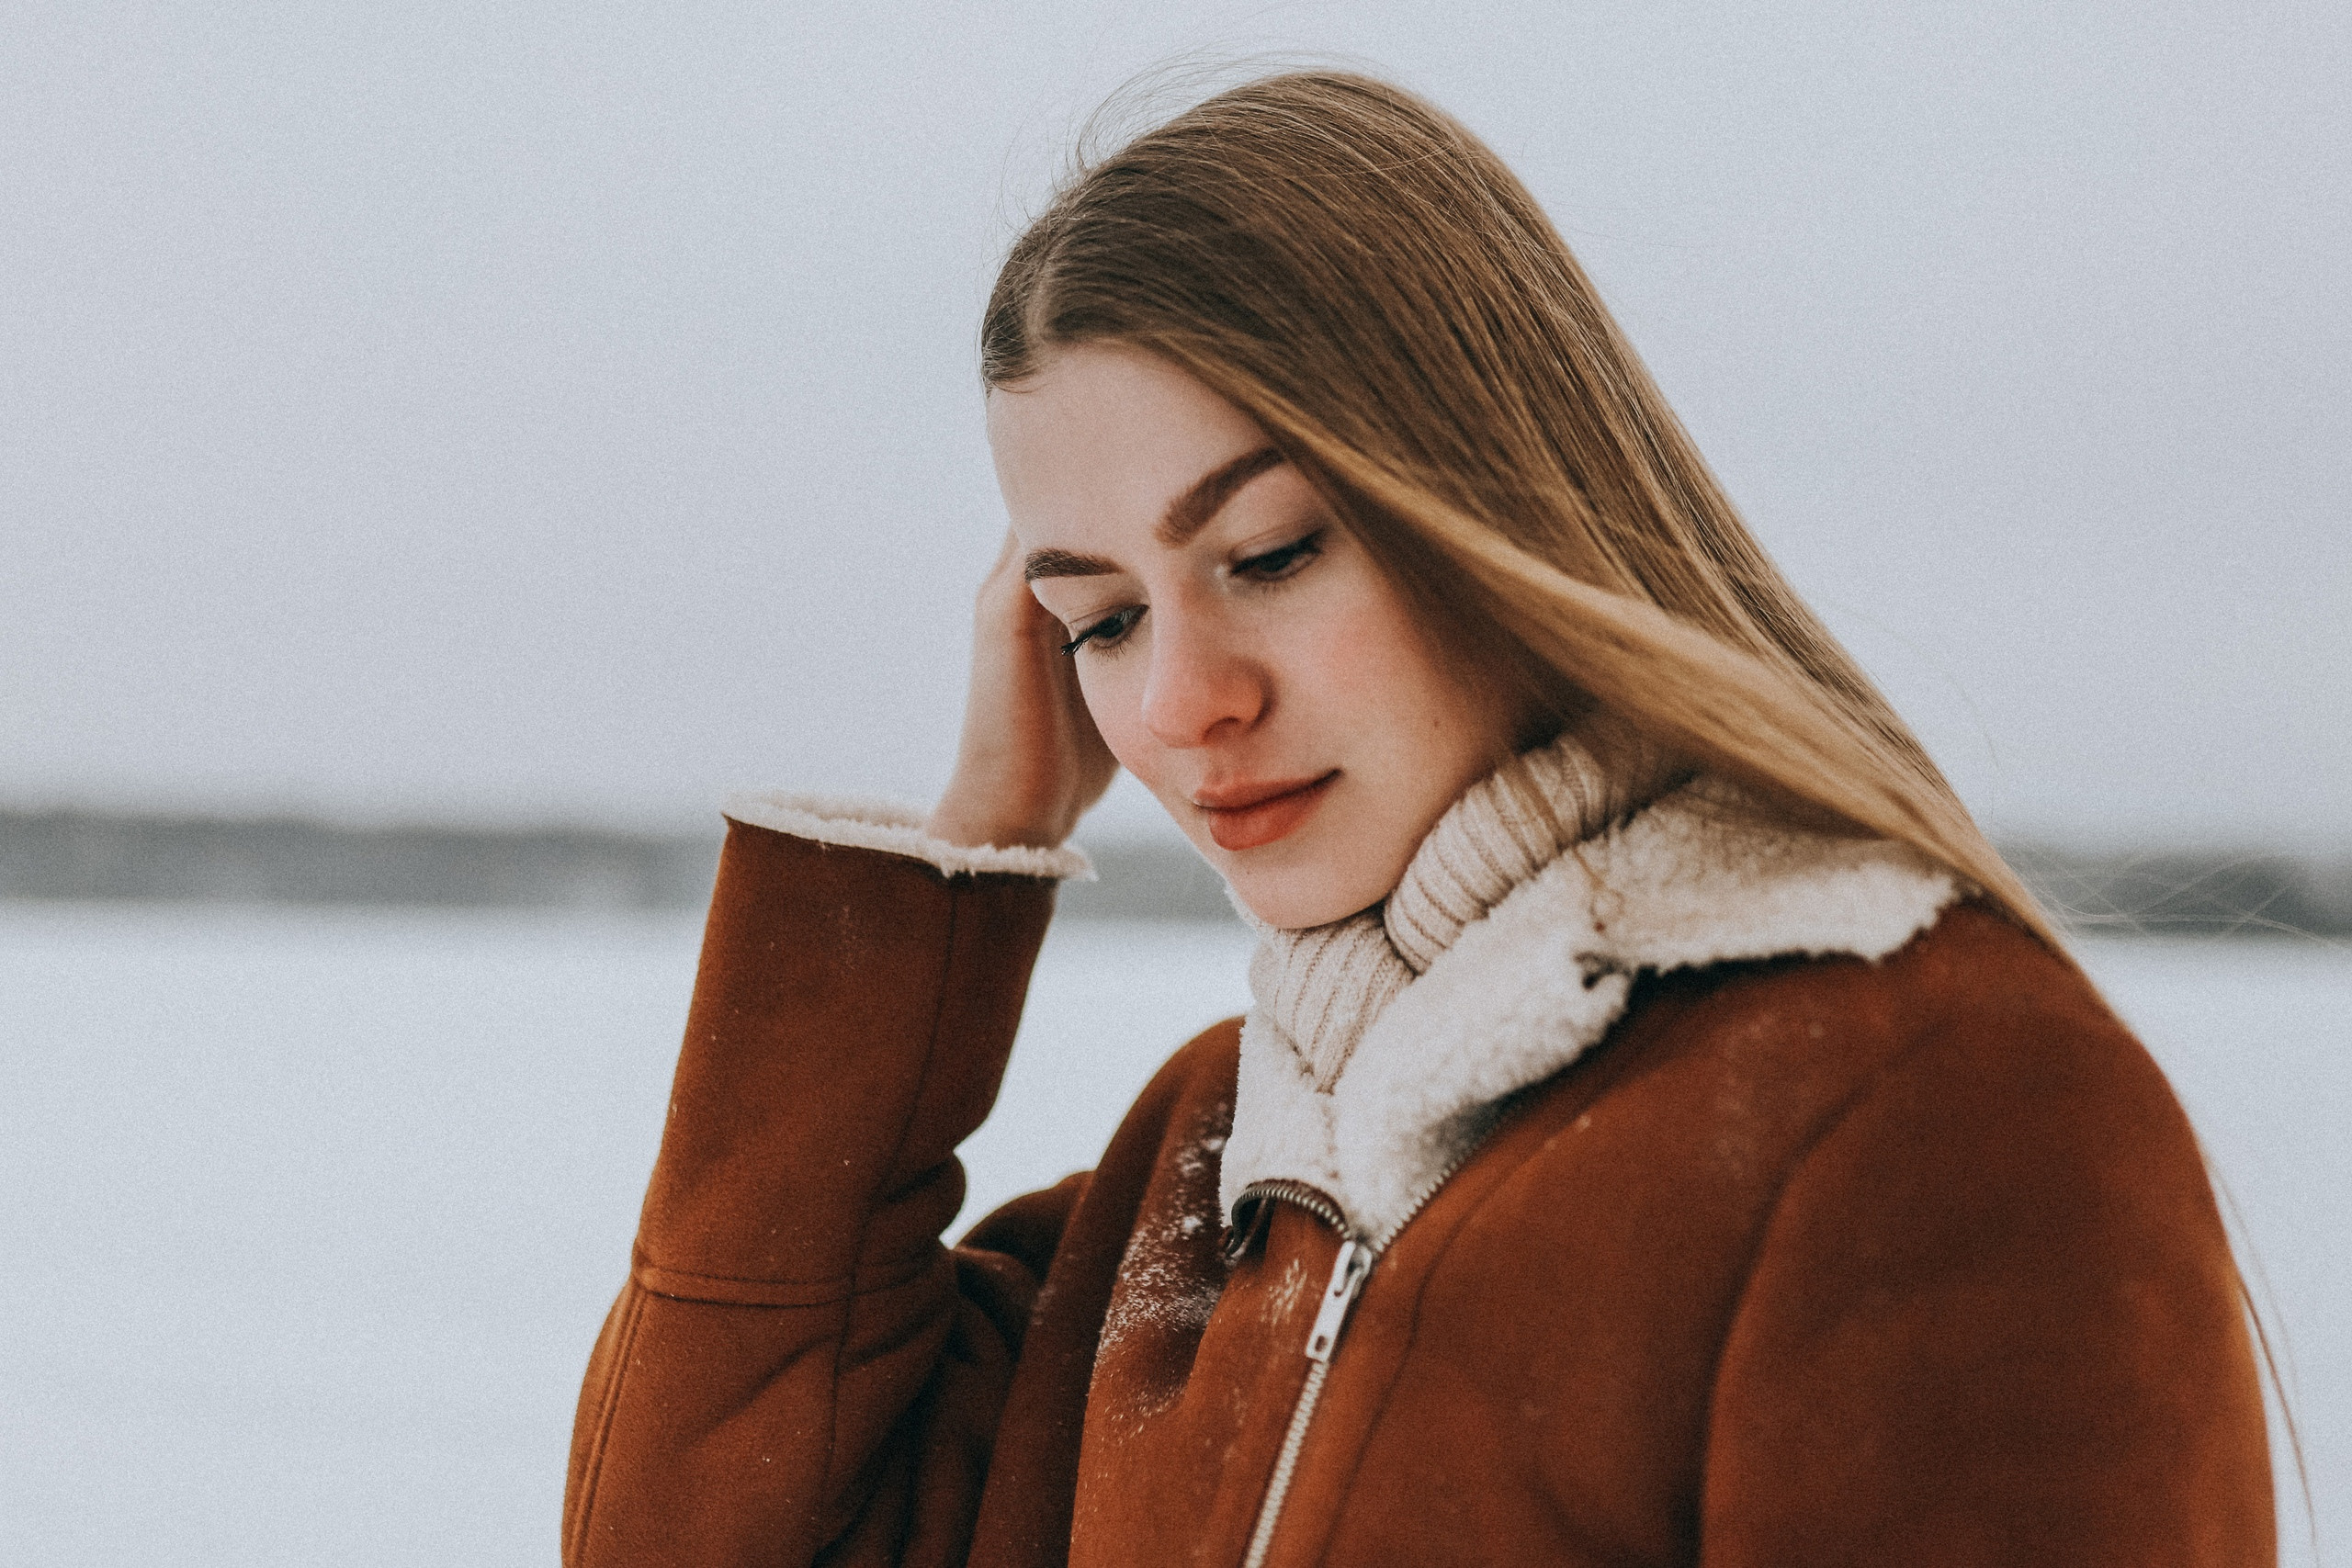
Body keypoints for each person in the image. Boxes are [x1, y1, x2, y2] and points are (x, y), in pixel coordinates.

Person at [562, 72, 2272, 1567]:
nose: (1181, 703)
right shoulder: (1218, 1159)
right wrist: (973, 841)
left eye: (1274, 553)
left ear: (1501, 491)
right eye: (1101, 619)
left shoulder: (1927, 1110)